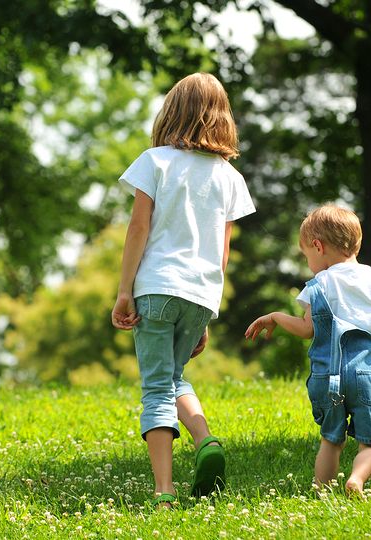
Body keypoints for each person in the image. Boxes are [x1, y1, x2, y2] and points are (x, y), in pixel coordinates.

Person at [111, 72, 256, 508]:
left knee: (156, 387)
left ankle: (164, 491)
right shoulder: (229, 177)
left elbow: (139, 228)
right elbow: (223, 253)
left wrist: (123, 291)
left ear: (171, 112)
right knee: (175, 378)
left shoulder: (155, 161)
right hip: (201, 294)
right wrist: (206, 313)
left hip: (156, 287)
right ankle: (205, 439)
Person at [244, 204, 371, 496]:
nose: (308, 263)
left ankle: (321, 492)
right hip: (368, 373)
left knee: (331, 440)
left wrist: (278, 317)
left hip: (327, 375)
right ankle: (356, 479)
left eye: (306, 255)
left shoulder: (319, 283)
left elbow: (307, 329)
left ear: (318, 247)